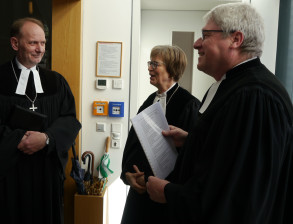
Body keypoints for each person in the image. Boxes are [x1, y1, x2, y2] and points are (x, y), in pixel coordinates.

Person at [146, 3, 293, 224]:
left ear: (236, 39)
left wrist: (169, 193)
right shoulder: (232, 86)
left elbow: (239, 196)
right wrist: (193, 140)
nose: (196, 44)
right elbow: (230, 155)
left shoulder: (255, 96)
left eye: (205, 35)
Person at [0, 17, 81, 223]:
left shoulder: (56, 82)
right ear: (15, 44)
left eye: (43, 43)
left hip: (44, 179)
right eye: (33, 43)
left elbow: (69, 121)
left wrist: (46, 138)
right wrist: (22, 140)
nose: (40, 49)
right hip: (5, 180)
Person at [120, 45, 200, 223]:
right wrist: (128, 175)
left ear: (171, 69)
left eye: (155, 64)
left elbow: (191, 158)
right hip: (139, 195)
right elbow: (133, 144)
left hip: (166, 199)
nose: (149, 68)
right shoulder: (149, 102)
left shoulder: (189, 104)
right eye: (150, 63)